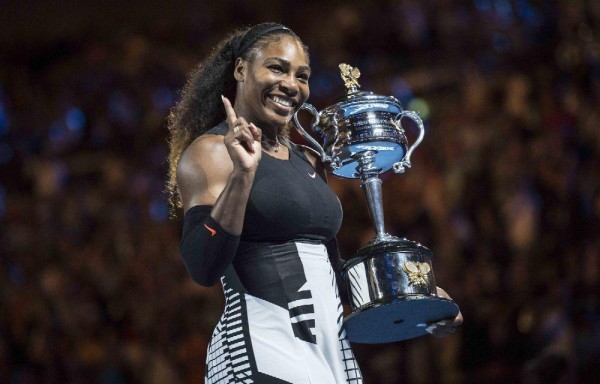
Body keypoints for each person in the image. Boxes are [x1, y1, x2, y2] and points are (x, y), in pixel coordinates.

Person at [166, 22, 462, 383]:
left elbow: (330, 273)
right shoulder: (211, 152)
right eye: (276, 67)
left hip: (330, 354)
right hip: (260, 349)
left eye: (301, 75)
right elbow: (203, 265)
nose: (291, 84)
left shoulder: (308, 159)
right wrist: (243, 176)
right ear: (241, 69)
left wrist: (412, 292)